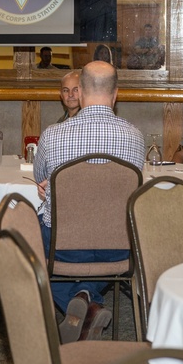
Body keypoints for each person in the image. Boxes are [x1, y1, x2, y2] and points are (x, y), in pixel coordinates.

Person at [32, 61, 144, 342]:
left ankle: (82, 301)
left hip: (64, 247)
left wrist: (54, 189)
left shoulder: (53, 135)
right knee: (108, 247)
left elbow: (40, 177)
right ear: (115, 94)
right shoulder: (135, 136)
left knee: (20, 241)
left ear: (80, 93)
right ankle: (88, 299)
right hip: (117, 248)